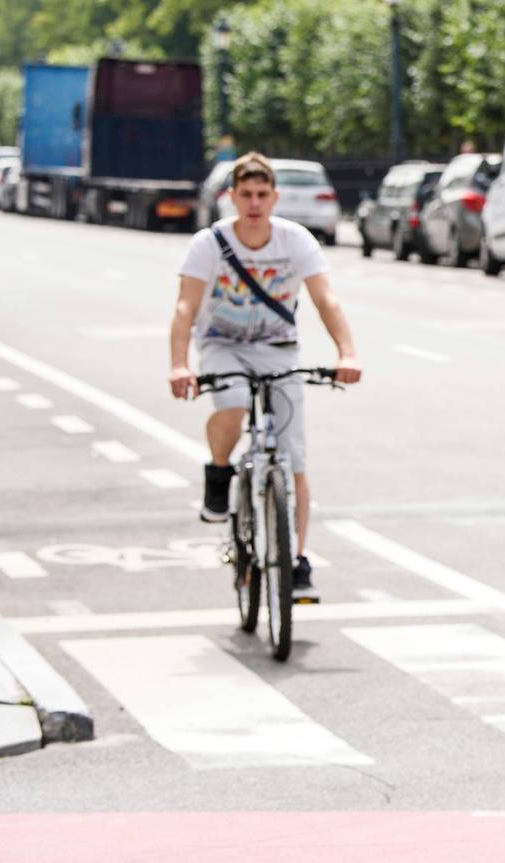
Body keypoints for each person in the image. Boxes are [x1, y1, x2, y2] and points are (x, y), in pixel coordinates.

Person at [168, 151, 362, 601]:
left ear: (274, 198)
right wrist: (180, 364)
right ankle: (219, 473)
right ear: (232, 197)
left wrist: (347, 353)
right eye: (246, 195)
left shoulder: (295, 241)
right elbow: (185, 306)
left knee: (293, 458)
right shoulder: (208, 244)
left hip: (279, 350)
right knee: (233, 405)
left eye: (262, 195)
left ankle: (295, 560)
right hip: (223, 345)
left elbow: (325, 300)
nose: (254, 204)